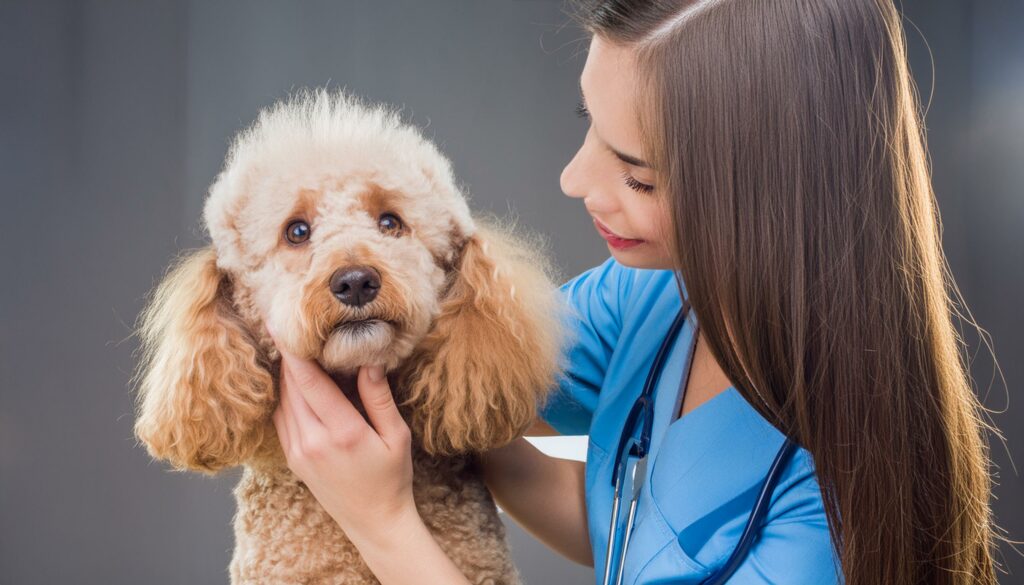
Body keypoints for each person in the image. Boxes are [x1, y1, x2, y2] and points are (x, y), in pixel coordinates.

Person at [266, 1, 1004, 583]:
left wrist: (383, 522)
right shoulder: (647, 297)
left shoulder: (829, 518)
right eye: (590, 125)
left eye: (636, 173)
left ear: (766, 198)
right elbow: (622, 520)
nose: (575, 179)